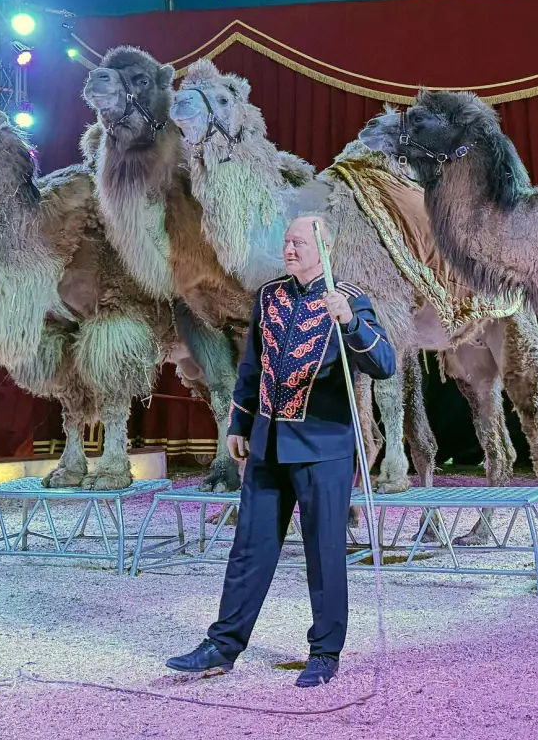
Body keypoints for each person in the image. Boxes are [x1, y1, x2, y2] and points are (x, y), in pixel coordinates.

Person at [166, 214, 396, 688]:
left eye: (298, 243)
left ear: (323, 249)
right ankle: (223, 646)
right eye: (286, 243)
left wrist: (350, 322)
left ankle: (325, 652)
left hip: (323, 449)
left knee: (324, 553)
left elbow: (384, 363)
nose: (289, 250)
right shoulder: (269, 296)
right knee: (249, 549)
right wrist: (239, 421)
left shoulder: (349, 299)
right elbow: (253, 364)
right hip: (268, 445)